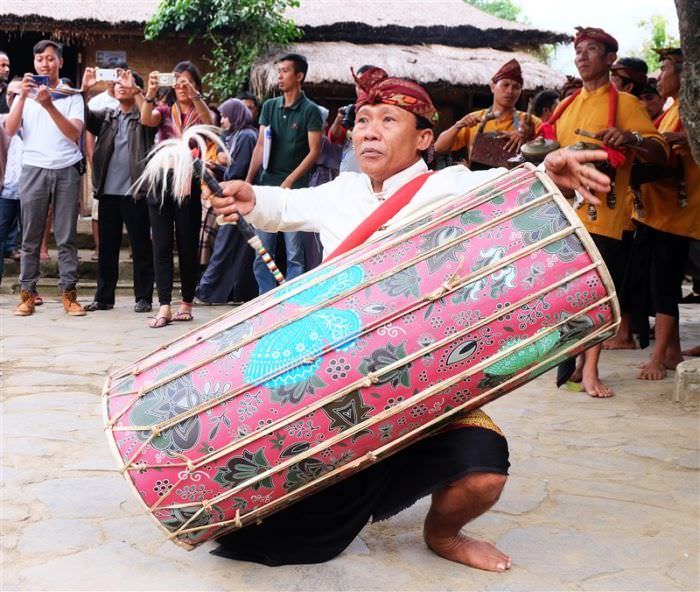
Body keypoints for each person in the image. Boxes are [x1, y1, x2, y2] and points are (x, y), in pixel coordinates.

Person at [207, 68, 613, 569]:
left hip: (425, 382)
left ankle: (443, 535)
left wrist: (552, 172)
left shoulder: (452, 186)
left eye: (388, 120)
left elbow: (516, 186)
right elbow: (283, 203)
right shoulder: (341, 190)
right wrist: (250, 198)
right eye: (363, 121)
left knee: (484, 474)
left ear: (424, 137)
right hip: (341, 386)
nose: (369, 131)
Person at [538, 27, 667, 397]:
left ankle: (591, 368)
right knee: (573, 293)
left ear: (610, 59)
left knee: (599, 293)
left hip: (608, 215)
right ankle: (578, 363)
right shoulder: (567, 106)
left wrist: (632, 139)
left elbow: (661, 151)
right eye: (578, 50)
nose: (582, 56)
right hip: (568, 216)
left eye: (591, 50)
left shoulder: (626, 104)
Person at [5, 39, 87, 317]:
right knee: (30, 236)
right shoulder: (23, 95)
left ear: (60, 62)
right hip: (33, 167)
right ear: (34, 63)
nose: (45, 63)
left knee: (66, 237)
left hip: (66, 169)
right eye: (40, 59)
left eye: (51, 58)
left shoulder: (72, 95)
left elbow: (74, 133)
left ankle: (69, 296)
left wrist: (49, 105)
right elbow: (10, 128)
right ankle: (27, 295)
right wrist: (24, 97)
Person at [631, 48, 699, 380]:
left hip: (680, 213)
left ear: (684, 75)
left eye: (666, 67)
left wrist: (673, 137)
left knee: (665, 285)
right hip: (660, 210)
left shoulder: (691, 108)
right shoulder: (673, 109)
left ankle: (657, 358)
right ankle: (670, 351)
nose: (660, 75)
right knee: (659, 282)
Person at [139, 61, 212, 328]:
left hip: (188, 179)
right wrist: (150, 91)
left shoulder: (199, 109)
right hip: (161, 177)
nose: (182, 85)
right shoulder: (163, 109)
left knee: (187, 244)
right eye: (178, 80)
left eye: (188, 80)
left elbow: (210, 122)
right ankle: (165, 305)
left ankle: (186, 303)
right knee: (160, 244)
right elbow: (146, 119)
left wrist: (195, 96)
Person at [244, 53, 322, 294]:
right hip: (267, 188)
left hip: (295, 192)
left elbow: (314, 151)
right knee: (262, 251)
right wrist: (248, 181)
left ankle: (292, 300)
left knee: (294, 253)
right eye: (278, 71)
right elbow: (260, 145)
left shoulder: (311, 111)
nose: (280, 76)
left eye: (285, 71)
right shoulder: (269, 106)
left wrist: (290, 180)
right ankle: (265, 300)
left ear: (299, 76)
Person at [80, 67, 155, 313]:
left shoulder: (144, 116)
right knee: (107, 248)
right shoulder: (107, 116)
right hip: (108, 192)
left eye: (127, 82)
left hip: (136, 193)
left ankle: (143, 297)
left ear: (138, 88)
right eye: (119, 81)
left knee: (141, 246)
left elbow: (149, 119)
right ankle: (104, 298)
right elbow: (85, 119)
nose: (120, 85)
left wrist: (140, 94)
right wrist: (84, 91)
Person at [194, 98, 258, 305]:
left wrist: (218, 170)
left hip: (239, 197)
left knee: (225, 247)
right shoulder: (238, 135)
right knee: (233, 249)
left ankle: (207, 291)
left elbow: (237, 170)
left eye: (224, 116)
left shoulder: (246, 136)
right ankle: (226, 293)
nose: (222, 121)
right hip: (234, 195)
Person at [434, 59, 540, 167]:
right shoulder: (474, 118)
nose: (510, 91)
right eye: (505, 85)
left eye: (516, 87)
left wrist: (529, 137)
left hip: (512, 181)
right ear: (493, 87)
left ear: (520, 92)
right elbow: (439, 147)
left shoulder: (530, 122)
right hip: (480, 180)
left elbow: (545, 153)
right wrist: (458, 125)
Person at [328, 64, 383, 174]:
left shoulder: (386, 111)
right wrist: (339, 119)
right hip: (349, 177)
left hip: (376, 175)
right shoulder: (352, 111)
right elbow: (334, 138)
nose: (360, 90)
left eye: (364, 86)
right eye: (357, 86)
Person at [0, 80, 22, 284]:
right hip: (5, 189)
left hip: (32, 189)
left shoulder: (35, 120)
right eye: (10, 95)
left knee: (29, 241)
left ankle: (30, 289)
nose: (13, 99)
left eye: (19, 94)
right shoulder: (1, 121)